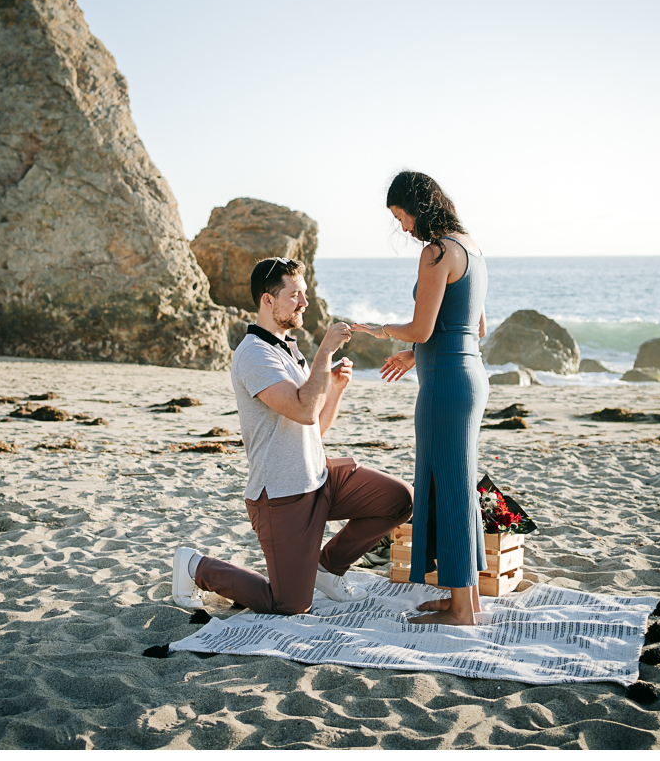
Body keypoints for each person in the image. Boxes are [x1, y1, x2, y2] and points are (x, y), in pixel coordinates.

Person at [172, 256, 414, 616]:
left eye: (305, 293)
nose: (305, 303)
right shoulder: (254, 354)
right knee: (289, 603)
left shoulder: (289, 348)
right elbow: (301, 408)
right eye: (295, 295)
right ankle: (195, 566)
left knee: (398, 500)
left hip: (319, 478)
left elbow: (312, 426)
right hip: (282, 494)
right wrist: (325, 352)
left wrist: (336, 388)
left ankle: (327, 567)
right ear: (267, 301)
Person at [350, 171, 488, 626]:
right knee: (456, 486)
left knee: (448, 488)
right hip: (467, 376)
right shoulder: (470, 246)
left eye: (401, 216)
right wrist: (416, 353)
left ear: (418, 206)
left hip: (446, 386)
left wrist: (380, 329)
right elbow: (475, 327)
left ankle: (461, 610)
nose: (404, 228)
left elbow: (423, 328)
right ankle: (459, 599)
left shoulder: (436, 253)